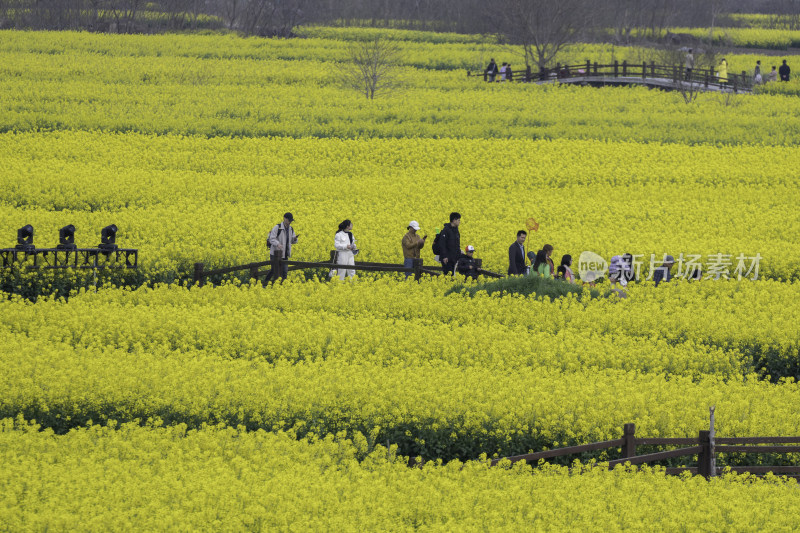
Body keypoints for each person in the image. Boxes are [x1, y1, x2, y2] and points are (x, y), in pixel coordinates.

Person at [266, 212, 298, 281]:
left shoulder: (291, 229)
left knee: (285, 272)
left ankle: (283, 287)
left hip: (285, 253)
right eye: (289, 220)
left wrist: (295, 239)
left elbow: (292, 241)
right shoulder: (277, 227)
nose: (290, 222)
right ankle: (265, 283)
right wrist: (278, 244)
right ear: (284, 219)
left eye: (291, 221)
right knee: (274, 270)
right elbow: (271, 238)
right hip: (275, 253)